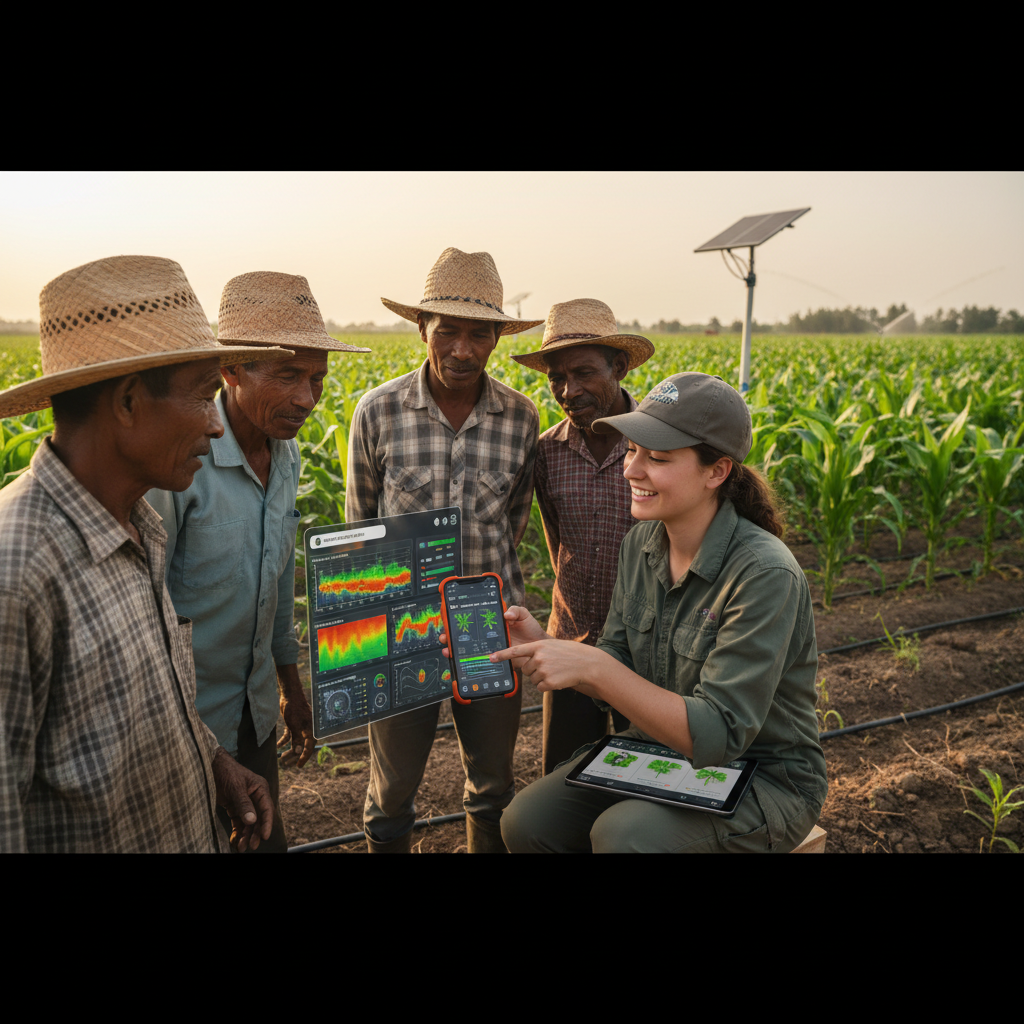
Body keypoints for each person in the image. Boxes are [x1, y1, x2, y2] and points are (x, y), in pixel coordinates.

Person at [0, 255, 291, 853]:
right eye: (203, 397)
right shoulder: (16, 573)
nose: (216, 427)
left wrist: (211, 761)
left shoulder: (139, 526)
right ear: (129, 402)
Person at [491, 372, 827, 853]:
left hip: (762, 775)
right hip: (656, 750)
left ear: (717, 472)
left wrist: (596, 668)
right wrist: (548, 649)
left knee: (626, 836)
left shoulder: (764, 574)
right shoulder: (642, 543)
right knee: (527, 820)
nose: (631, 470)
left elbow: (719, 735)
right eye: (632, 450)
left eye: (658, 458)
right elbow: (616, 656)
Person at [147, 272, 370, 853]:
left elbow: (272, 584)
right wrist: (205, 746)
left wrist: (292, 688)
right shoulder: (179, 465)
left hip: (254, 713)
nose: (307, 399)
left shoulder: (288, 454)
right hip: (182, 726)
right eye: (288, 375)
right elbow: (146, 619)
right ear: (231, 371)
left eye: (318, 379)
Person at [346, 246, 543, 853]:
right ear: (421, 330)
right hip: (403, 625)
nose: (462, 349)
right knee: (391, 794)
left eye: (478, 334)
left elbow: (513, 522)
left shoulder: (521, 417)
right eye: (447, 331)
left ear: (496, 339)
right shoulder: (376, 412)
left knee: (491, 787)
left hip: (487, 624)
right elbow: (359, 528)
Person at [511, 298, 654, 773]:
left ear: (619, 367)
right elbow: (558, 543)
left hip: (645, 655)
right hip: (570, 642)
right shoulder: (547, 453)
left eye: (584, 373)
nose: (568, 390)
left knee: (646, 779)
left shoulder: (660, 447)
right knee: (566, 781)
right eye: (556, 377)